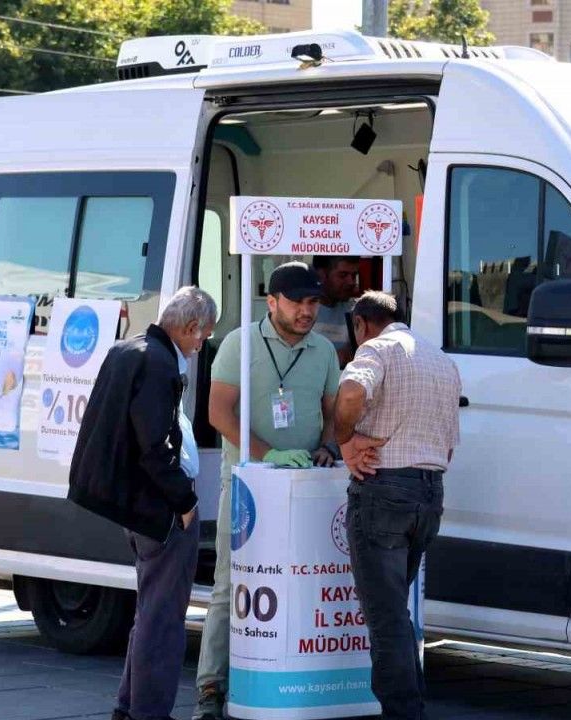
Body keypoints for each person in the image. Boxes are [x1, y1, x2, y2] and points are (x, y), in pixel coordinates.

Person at [194, 261, 341, 720]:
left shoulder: (324, 350)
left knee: (306, 582)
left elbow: (333, 413)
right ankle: (210, 689)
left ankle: (293, 683)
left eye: (313, 302)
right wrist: (268, 453)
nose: (306, 311)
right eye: (297, 302)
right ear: (271, 302)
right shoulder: (240, 343)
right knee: (230, 586)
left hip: (306, 487)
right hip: (249, 485)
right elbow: (219, 413)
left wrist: (328, 446)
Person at [66, 286, 217, 720]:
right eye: (204, 334)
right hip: (160, 508)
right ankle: (148, 711)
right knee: (164, 619)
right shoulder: (159, 363)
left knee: (150, 611)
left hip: (135, 504)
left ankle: (129, 706)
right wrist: (185, 502)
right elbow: (155, 446)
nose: (203, 343)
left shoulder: (129, 349)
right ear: (190, 327)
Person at [334, 291, 462, 720]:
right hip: (429, 494)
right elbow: (449, 446)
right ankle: (410, 706)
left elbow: (351, 392)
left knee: (386, 618)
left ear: (361, 324)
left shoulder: (378, 348)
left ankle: (404, 713)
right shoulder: (441, 360)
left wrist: (345, 439)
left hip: (384, 490)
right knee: (396, 612)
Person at [312, 254, 361, 367]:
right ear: (321, 275)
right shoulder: (304, 311)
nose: (351, 282)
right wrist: (334, 358)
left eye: (354, 275)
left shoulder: (357, 310)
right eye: (343, 275)